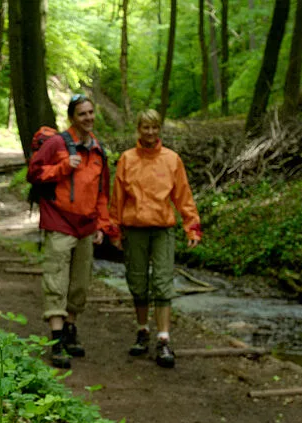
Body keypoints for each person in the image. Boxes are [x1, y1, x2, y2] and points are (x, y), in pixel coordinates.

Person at [27, 95, 117, 368]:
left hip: (86, 227)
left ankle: (70, 330)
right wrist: (63, 167)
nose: (88, 118)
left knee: (79, 285)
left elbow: (102, 193)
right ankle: (55, 341)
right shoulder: (56, 144)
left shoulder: (98, 150)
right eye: (82, 114)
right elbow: (34, 173)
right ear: (72, 117)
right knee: (56, 281)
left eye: (91, 112)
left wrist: (102, 224)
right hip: (59, 222)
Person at [109, 109, 201, 368]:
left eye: (154, 128)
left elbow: (183, 196)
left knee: (162, 282)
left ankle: (163, 339)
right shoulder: (127, 159)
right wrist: (114, 230)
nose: (150, 133)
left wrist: (192, 227)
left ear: (159, 129)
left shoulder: (172, 160)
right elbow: (117, 199)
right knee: (137, 282)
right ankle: (142, 331)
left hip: (162, 229)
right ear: (138, 129)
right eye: (145, 128)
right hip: (135, 228)